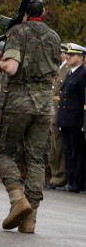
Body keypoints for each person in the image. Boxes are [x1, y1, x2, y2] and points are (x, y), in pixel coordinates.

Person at [0, 0, 61, 234]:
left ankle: (17, 198)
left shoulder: (18, 32)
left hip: (19, 101)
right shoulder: (54, 36)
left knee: (3, 153)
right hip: (44, 104)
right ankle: (31, 218)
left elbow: (12, 67)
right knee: (36, 160)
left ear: (24, 12)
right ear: (45, 11)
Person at [56, 43, 86, 193]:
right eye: (68, 54)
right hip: (66, 119)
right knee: (68, 151)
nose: (68, 57)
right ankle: (71, 180)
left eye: (72, 55)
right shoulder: (70, 73)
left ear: (81, 57)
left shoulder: (83, 73)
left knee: (77, 151)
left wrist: (83, 122)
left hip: (76, 119)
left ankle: (77, 183)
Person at [46, 44, 70, 189]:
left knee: (58, 146)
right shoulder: (60, 66)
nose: (60, 54)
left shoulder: (68, 69)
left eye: (61, 52)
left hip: (60, 109)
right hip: (52, 109)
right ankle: (55, 174)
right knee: (53, 145)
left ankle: (59, 176)